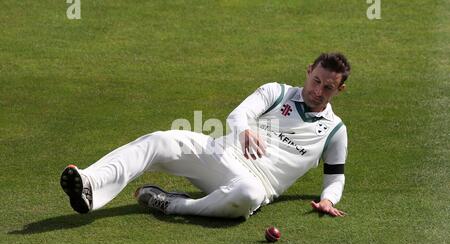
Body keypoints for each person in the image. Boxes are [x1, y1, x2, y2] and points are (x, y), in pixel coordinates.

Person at [60, 52, 350, 219]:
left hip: (256, 183)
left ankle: (171, 204)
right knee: (160, 140)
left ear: (339, 90)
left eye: (328, 87)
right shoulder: (277, 92)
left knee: (248, 196)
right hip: (220, 154)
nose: (317, 90)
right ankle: (90, 183)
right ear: (309, 71)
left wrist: (328, 199)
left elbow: (335, 176)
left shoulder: (335, 131)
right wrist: (245, 130)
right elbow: (237, 116)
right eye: (316, 81)